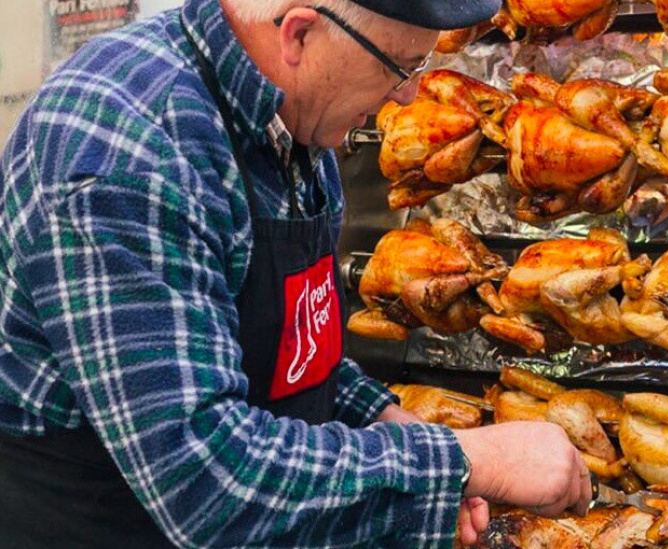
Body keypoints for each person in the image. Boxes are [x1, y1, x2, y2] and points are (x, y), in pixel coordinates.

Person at [0, 0, 593, 547]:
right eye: (399, 67)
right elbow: (203, 481)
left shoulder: (296, 121)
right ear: (300, 33)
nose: (409, 98)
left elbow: (301, 355)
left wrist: (388, 421)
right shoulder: (126, 145)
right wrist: (466, 461)